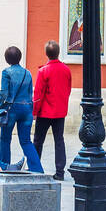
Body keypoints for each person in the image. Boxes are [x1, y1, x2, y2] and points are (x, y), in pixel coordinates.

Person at [32, 39, 72, 181]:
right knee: (59, 141)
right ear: (58, 52)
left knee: (38, 141)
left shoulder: (43, 71)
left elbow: (38, 94)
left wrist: (34, 112)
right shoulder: (66, 70)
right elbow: (68, 90)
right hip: (60, 112)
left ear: (46, 54)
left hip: (44, 112)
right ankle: (60, 172)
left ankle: (35, 169)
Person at [0, 46, 42, 173]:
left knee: (5, 139)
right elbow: (30, 94)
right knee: (26, 141)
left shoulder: (6, 72)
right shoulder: (27, 73)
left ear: (7, 59)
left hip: (12, 110)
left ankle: (5, 167)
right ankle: (37, 169)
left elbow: (4, 93)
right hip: (26, 109)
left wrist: (0, 107)